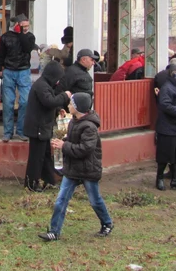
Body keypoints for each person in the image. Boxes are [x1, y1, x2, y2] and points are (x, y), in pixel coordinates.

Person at [39, 92, 113, 241]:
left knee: (95, 199)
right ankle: (54, 231)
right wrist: (64, 139)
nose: (68, 106)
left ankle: (107, 223)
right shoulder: (74, 120)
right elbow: (75, 139)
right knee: (61, 200)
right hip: (73, 168)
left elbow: (85, 149)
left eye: (71, 104)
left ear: (78, 108)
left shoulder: (90, 127)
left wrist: (64, 145)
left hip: (88, 168)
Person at [23, 61, 70, 192]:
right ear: (53, 75)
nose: (58, 82)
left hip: (42, 127)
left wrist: (58, 109)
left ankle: (49, 181)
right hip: (38, 127)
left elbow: (49, 102)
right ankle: (31, 184)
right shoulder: (41, 86)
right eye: (58, 78)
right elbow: (49, 101)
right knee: (36, 158)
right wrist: (64, 96)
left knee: (46, 156)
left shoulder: (44, 85)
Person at [0, 14, 35, 143]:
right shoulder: (5, 37)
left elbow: (27, 49)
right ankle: (7, 132)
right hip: (8, 71)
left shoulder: (29, 37)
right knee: (8, 102)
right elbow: (0, 54)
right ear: (17, 24)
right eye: (24, 25)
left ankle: (21, 130)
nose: (26, 27)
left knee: (25, 101)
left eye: (27, 25)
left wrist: (21, 34)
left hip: (24, 71)